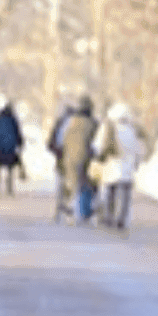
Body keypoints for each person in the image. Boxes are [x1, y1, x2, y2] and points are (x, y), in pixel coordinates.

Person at [91, 102, 148, 229]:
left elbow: (98, 145)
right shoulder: (132, 129)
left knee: (110, 193)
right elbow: (139, 148)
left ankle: (109, 217)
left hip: (111, 166)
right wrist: (137, 162)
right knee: (125, 195)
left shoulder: (108, 128)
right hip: (127, 168)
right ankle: (122, 218)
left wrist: (98, 157)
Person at [58, 94, 98, 224]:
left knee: (72, 185)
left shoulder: (71, 122)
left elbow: (61, 140)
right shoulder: (93, 124)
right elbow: (97, 143)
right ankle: (83, 213)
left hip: (69, 157)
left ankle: (71, 212)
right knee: (86, 185)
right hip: (86, 158)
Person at [0, 94, 24, 196]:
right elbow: (17, 132)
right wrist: (20, 143)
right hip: (10, 147)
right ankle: (9, 188)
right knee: (9, 169)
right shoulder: (13, 119)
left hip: (0, 146)